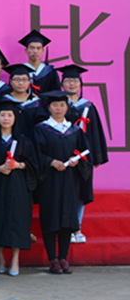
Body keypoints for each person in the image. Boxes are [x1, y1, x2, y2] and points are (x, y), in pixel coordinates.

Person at [33, 90, 91, 275]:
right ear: (49, 107)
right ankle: (53, 259)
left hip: (70, 180)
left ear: (67, 107)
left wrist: (77, 161)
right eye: (55, 105)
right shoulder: (41, 129)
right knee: (51, 218)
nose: (58, 108)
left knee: (67, 219)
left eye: (62, 105)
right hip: (49, 180)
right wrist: (51, 162)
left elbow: (85, 153)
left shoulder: (74, 130)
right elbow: (35, 154)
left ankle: (64, 258)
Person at [59, 64, 108, 244]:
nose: (71, 84)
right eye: (68, 80)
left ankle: (77, 227)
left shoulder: (88, 107)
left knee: (80, 192)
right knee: (63, 192)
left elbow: (95, 133)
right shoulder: (58, 106)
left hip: (83, 158)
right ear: (62, 84)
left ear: (80, 84)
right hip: (62, 156)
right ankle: (64, 229)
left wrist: (96, 157)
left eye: (75, 81)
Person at [0, 100, 36, 276]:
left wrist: (18, 165)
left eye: (10, 115)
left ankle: (15, 259)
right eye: (3, 115)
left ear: (15, 118)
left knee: (18, 220)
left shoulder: (23, 141)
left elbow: (34, 164)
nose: (6, 118)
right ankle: (0, 258)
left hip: (18, 186)